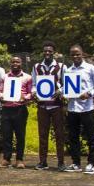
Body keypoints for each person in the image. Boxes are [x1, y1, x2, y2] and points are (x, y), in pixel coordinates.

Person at [63, 45, 94, 175]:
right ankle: (76, 163)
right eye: (73, 54)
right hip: (72, 108)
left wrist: (89, 94)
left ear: (83, 54)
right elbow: (67, 88)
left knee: (90, 137)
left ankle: (91, 164)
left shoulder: (91, 69)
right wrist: (62, 92)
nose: (75, 56)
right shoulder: (68, 71)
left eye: (77, 54)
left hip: (87, 108)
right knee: (73, 137)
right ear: (70, 56)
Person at [31, 41, 67, 171]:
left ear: (54, 53)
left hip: (57, 105)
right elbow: (34, 84)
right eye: (45, 51)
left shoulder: (62, 67)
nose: (47, 53)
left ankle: (61, 162)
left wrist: (60, 91)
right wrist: (34, 93)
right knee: (42, 134)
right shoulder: (36, 67)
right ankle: (43, 161)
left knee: (59, 135)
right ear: (43, 52)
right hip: (42, 106)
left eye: (50, 51)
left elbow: (66, 84)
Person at [0, 56, 33, 169]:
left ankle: (19, 159)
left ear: (21, 63)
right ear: (10, 63)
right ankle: (6, 159)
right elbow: (0, 91)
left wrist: (25, 97)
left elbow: (31, 92)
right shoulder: (5, 77)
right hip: (7, 108)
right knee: (6, 135)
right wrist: (1, 97)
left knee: (20, 135)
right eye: (13, 62)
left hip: (20, 109)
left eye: (17, 61)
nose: (15, 63)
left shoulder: (27, 77)